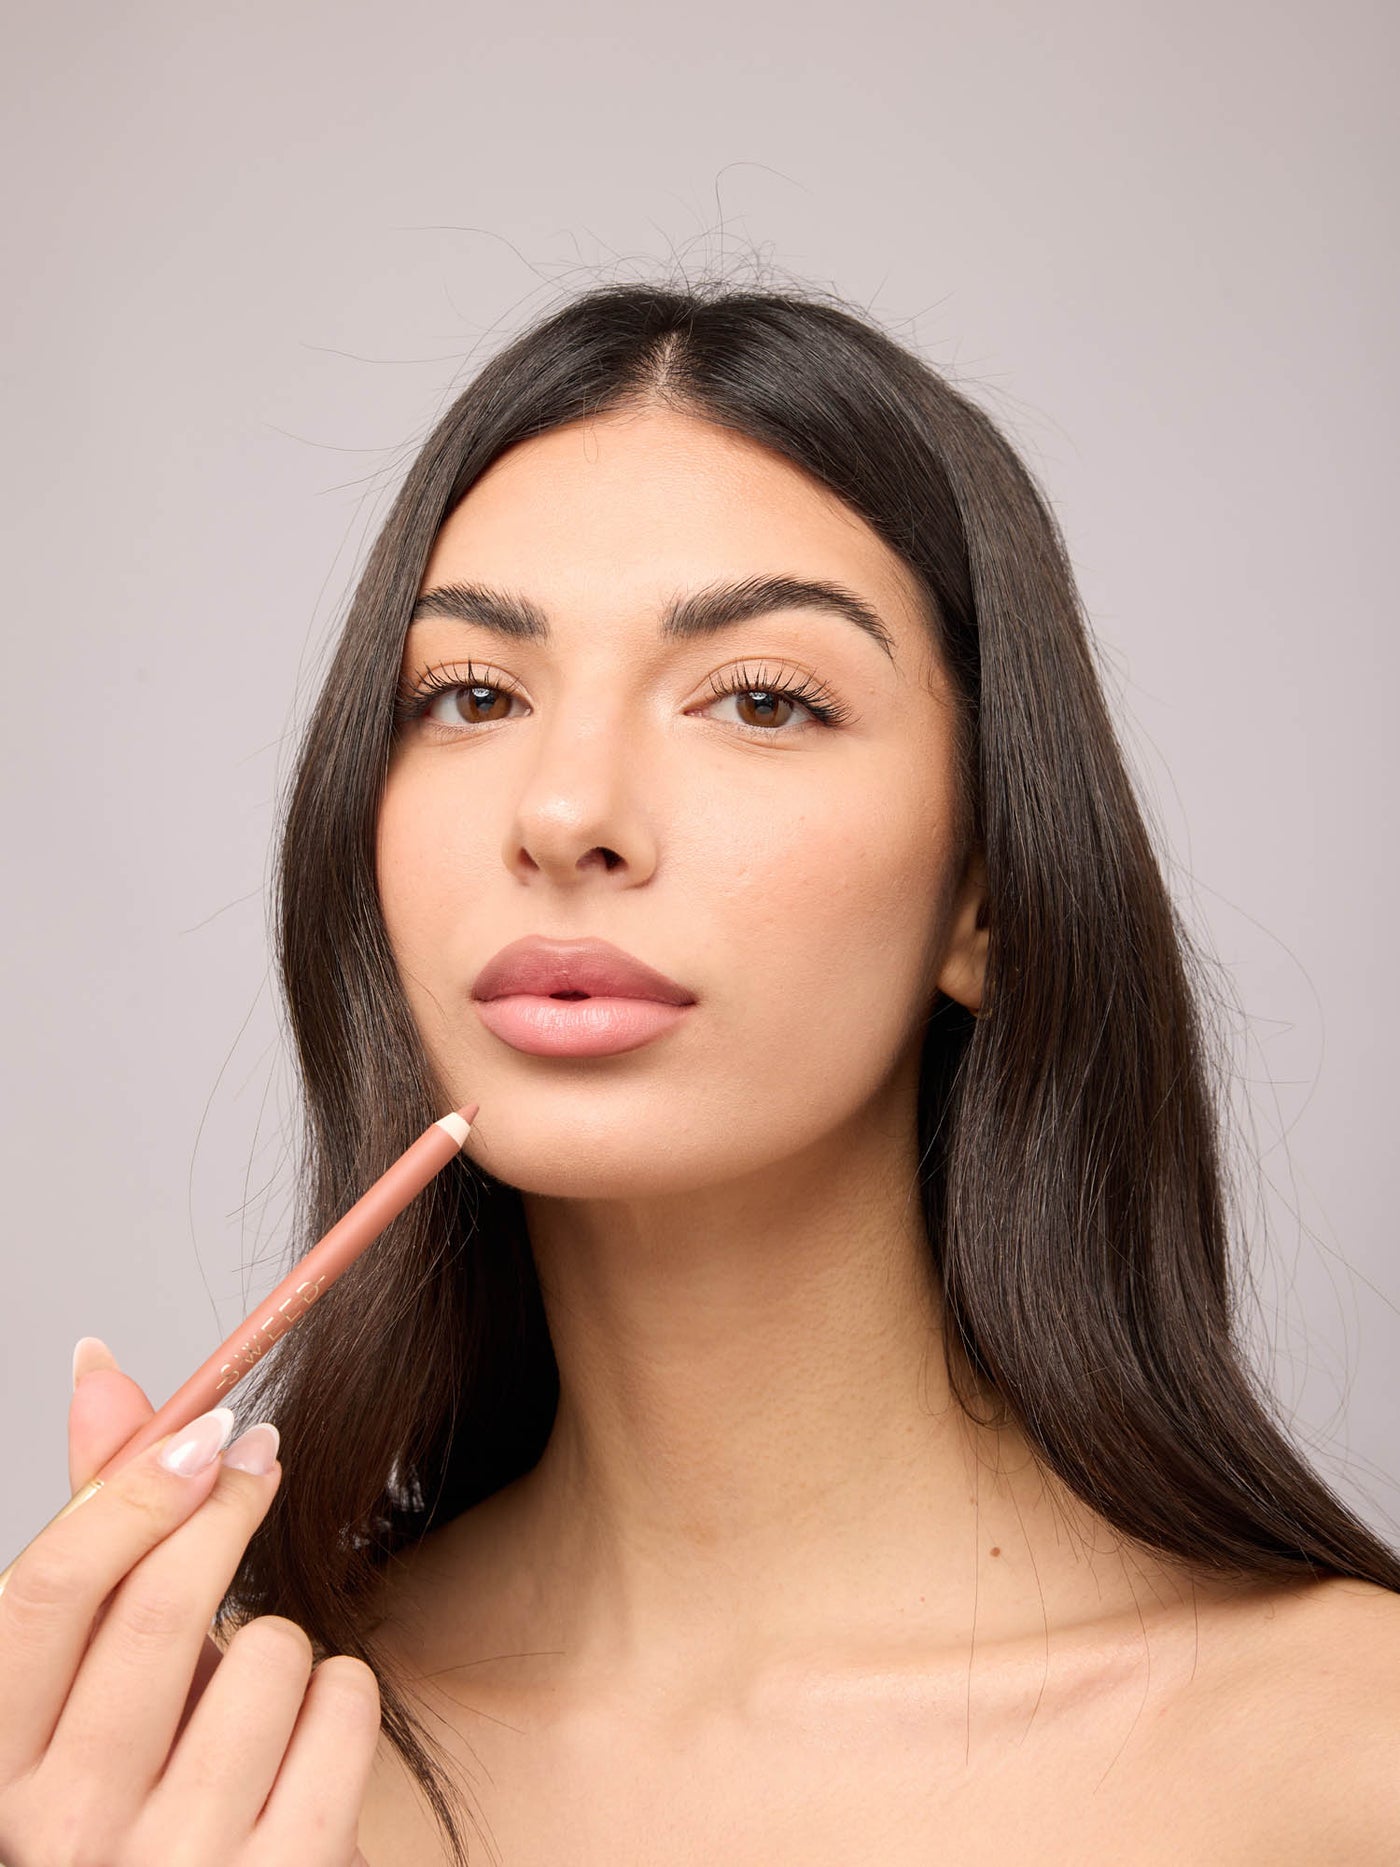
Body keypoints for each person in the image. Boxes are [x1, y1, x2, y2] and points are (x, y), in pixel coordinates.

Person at [5, 276, 1398, 1866]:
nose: (564, 812)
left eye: (761, 700)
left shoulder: (1351, 1758)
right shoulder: (213, 1774)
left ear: (986, 894)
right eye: (473, 696)